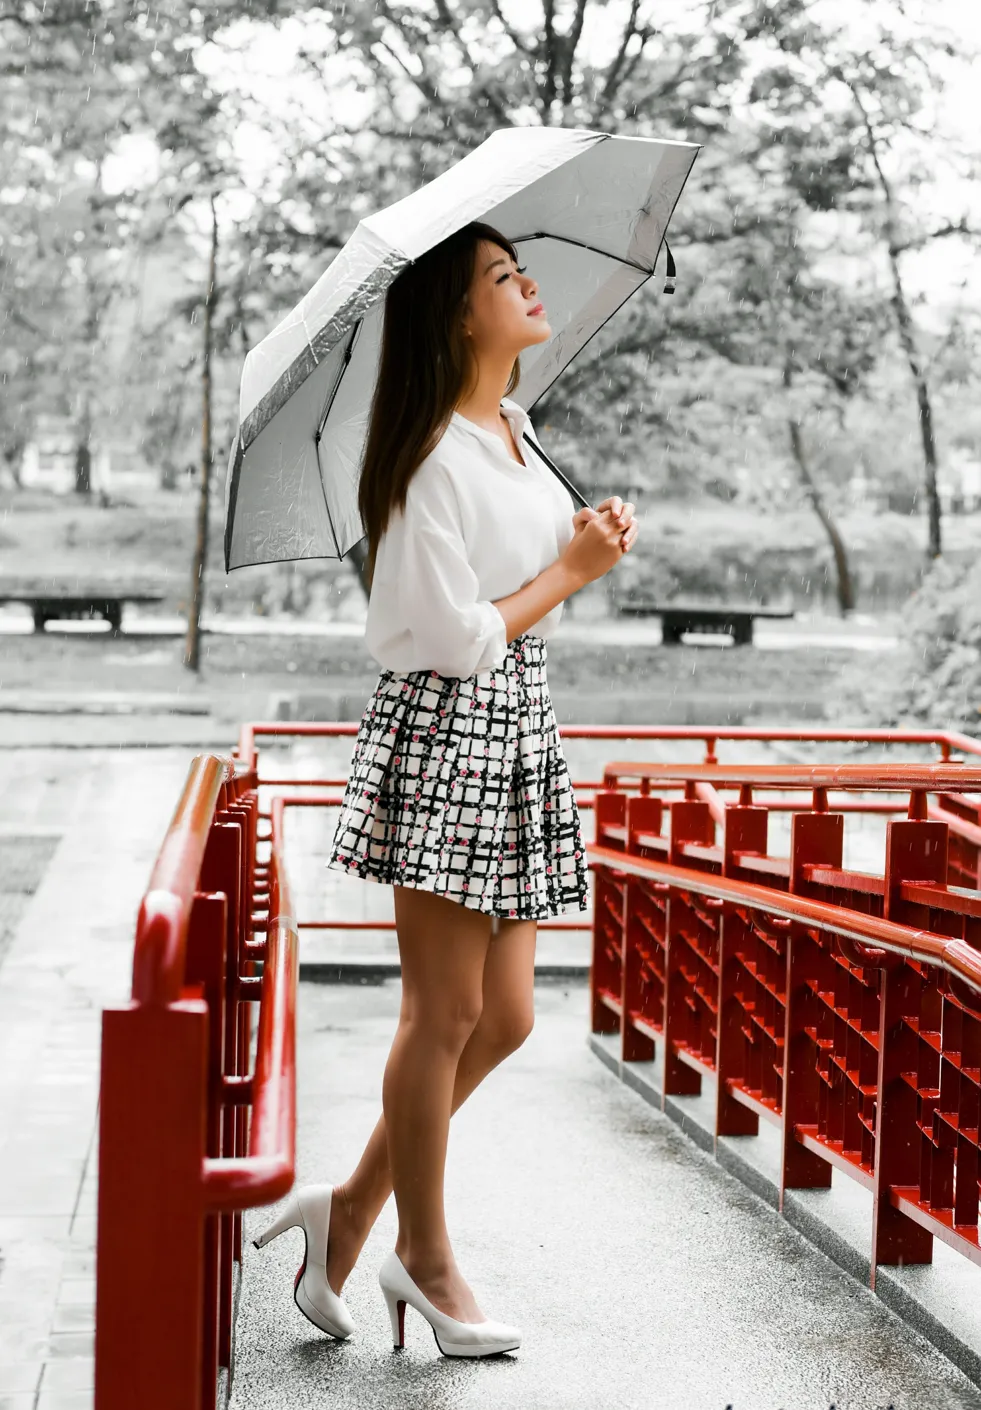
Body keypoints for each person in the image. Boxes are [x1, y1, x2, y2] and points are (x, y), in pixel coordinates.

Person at [254, 220, 639, 1358]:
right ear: (458, 315)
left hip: (518, 721)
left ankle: (352, 1213)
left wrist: (581, 544)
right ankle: (423, 1258)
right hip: (450, 726)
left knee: (508, 1017)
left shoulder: (515, 432)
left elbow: (516, 588)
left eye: (520, 265)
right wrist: (568, 574)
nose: (526, 281)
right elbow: (451, 632)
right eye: (498, 275)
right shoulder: (426, 451)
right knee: (445, 1013)